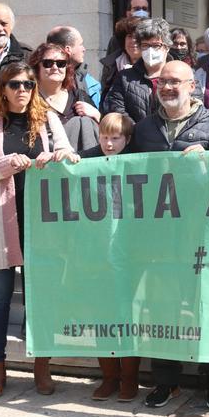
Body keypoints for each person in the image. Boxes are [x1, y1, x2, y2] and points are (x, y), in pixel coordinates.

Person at [0, 62, 78, 400]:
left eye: (28, 85)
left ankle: (41, 364)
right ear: (2, 88)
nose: (22, 91)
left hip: (40, 223)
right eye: (14, 85)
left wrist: (58, 155)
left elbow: (70, 157)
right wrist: (4, 165)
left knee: (40, 297)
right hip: (0, 223)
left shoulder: (48, 120)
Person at [132, 60, 209, 409]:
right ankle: (166, 382)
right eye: (162, 82)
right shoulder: (145, 129)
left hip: (200, 234)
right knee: (162, 310)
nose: (168, 87)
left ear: (193, 85)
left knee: (208, 306)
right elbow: (119, 168)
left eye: (176, 82)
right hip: (159, 237)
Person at [78, 113, 142, 402]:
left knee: (127, 317)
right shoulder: (87, 160)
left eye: (116, 137)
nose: (109, 142)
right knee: (100, 315)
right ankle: (109, 377)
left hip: (129, 253)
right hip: (96, 252)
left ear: (127, 140)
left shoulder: (139, 163)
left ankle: (130, 379)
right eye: (104, 136)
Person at [102, 18, 205, 122]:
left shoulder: (185, 74)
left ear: (167, 47)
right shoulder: (125, 78)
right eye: (145, 45)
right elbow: (115, 110)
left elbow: (195, 109)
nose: (150, 50)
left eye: (156, 45)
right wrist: (141, 132)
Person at [34, 42, 101, 154]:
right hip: (48, 162)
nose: (55, 67)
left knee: (84, 122)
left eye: (61, 64)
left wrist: (97, 115)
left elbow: (108, 133)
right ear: (37, 68)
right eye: (48, 63)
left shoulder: (79, 96)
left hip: (84, 162)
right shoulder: (30, 99)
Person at [46, 25, 103, 103]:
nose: (84, 49)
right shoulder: (38, 79)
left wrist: (96, 114)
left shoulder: (91, 83)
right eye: (80, 44)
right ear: (68, 49)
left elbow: (99, 111)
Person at [98, 16, 142, 101]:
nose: (133, 40)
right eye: (129, 36)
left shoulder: (152, 66)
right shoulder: (112, 65)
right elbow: (105, 98)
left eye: (137, 36)